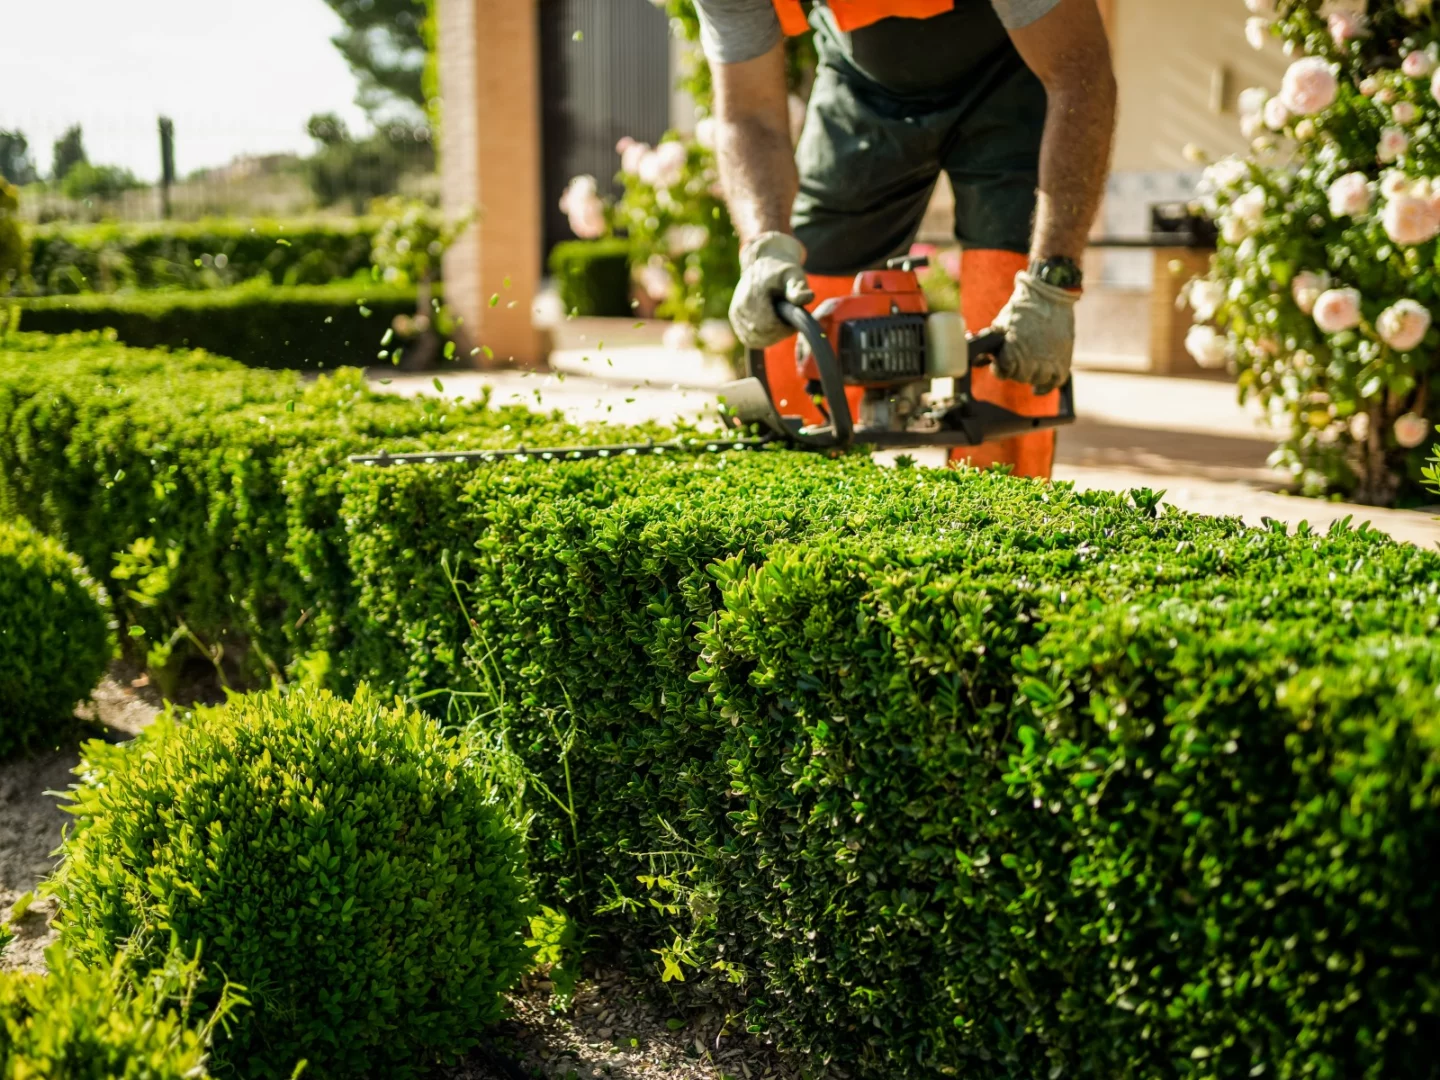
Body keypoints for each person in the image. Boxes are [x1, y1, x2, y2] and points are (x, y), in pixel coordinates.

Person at [699, 0, 1116, 476]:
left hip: (1016, 69)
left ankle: (999, 522)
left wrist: (1052, 278)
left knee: (1012, 334)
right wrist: (764, 244)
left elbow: (1079, 72)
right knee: (798, 318)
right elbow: (747, 113)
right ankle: (804, 500)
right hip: (862, 80)